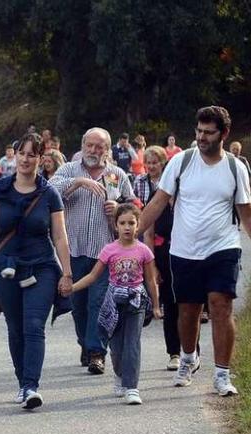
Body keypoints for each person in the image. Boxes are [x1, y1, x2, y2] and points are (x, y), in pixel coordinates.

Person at [138, 106, 251, 396]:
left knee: (220, 305)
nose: (202, 137)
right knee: (188, 310)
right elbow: (157, 202)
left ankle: (222, 375)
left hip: (223, 247)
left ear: (224, 134)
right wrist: (129, 237)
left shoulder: (235, 168)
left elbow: (248, 213)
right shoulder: (180, 162)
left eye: (209, 132)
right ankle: (188, 357)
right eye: (199, 132)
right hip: (184, 249)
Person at [0, 133, 72, 409]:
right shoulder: (0, 189)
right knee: (15, 327)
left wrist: (67, 273)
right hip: (6, 266)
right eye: (22, 153)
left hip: (42, 266)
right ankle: (22, 382)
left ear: (42, 159)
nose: (26, 159)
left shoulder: (49, 193)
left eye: (32, 154)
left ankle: (31, 386)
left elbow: (60, 236)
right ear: (14, 156)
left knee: (34, 325)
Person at [50, 127, 136, 375]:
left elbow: (132, 208)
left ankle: (97, 352)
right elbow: (49, 189)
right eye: (90, 145)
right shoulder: (69, 169)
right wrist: (78, 182)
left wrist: (118, 208)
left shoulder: (116, 175)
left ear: (107, 150)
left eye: (100, 146)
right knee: (78, 305)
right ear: (82, 145)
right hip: (73, 251)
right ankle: (85, 344)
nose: (94, 151)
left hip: (105, 253)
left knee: (98, 303)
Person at [69, 204, 161, 405]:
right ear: (116, 225)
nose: (127, 227)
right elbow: (93, 276)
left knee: (132, 345)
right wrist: (73, 287)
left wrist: (155, 305)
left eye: (131, 223)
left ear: (138, 226)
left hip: (136, 302)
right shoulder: (109, 250)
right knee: (117, 347)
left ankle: (132, 387)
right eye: (123, 223)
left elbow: (151, 280)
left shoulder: (143, 250)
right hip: (113, 304)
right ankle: (119, 375)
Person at [134, 145, 183, 370]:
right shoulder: (156, 196)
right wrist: (152, 266)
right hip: (163, 254)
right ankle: (174, 353)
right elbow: (149, 232)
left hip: (187, 253)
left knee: (189, 304)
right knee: (171, 305)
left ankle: (192, 352)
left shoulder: (185, 195)